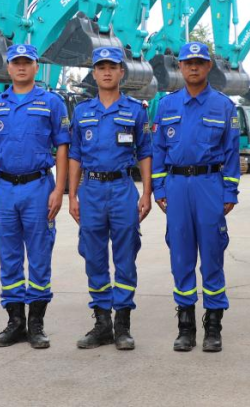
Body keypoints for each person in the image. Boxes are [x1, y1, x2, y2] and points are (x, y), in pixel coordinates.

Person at [152, 41, 240, 352]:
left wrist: (229, 191)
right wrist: (158, 189)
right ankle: (185, 326)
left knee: (213, 257)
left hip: (209, 186)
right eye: (187, 62)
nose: (193, 67)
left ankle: (213, 326)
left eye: (199, 62)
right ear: (180, 66)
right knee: (181, 258)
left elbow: (231, 155)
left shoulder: (223, 106)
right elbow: (158, 150)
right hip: (176, 187)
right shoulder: (166, 106)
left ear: (208, 67)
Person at [0, 43, 69, 349]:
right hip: (4, 188)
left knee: (40, 255)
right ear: (8, 68)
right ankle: (15, 321)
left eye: (26, 62)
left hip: (38, 187)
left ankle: (36, 324)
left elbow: (62, 147)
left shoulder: (52, 103)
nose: (21, 67)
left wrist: (59, 189)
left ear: (35, 67)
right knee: (8, 256)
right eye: (15, 62)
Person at [68, 47, 153, 350]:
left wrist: (147, 192)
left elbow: (144, 151)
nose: (106, 72)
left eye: (112, 67)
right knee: (93, 256)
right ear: (94, 73)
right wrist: (72, 195)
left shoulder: (135, 110)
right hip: (90, 191)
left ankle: (123, 325)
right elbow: (75, 154)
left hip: (121, 189)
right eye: (100, 67)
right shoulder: (81, 112)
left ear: (121, 72)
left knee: (125, 256)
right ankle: (102, 321)